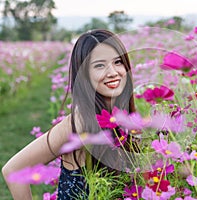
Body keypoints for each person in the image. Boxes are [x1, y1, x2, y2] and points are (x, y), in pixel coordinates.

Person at [2, 29, 136, 199]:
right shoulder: (80, 123)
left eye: (118, 62)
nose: (112, 72)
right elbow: (13, 170)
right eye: (99, 65)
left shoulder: (122, 118)